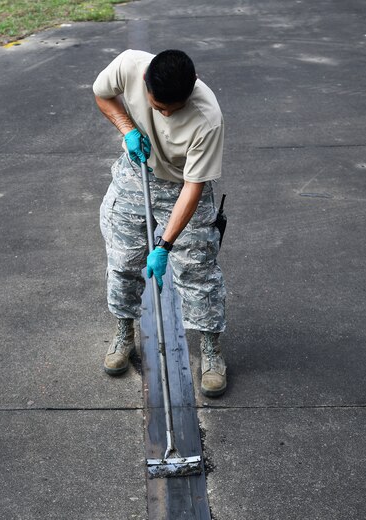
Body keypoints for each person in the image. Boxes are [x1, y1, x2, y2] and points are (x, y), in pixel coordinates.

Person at [93, 49, 228, 397]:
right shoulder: (129, 66)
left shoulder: (207, 118)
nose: (165, 114)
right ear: (143, 83)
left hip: (183, 184)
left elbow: (194, 187)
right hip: (137, 172)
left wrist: (164, 245)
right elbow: (102, 93)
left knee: (198, 269)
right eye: (157, 106)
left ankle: (211, 351)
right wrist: (127, 129)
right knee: (122, 259)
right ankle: (124, 331)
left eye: (173, 109)